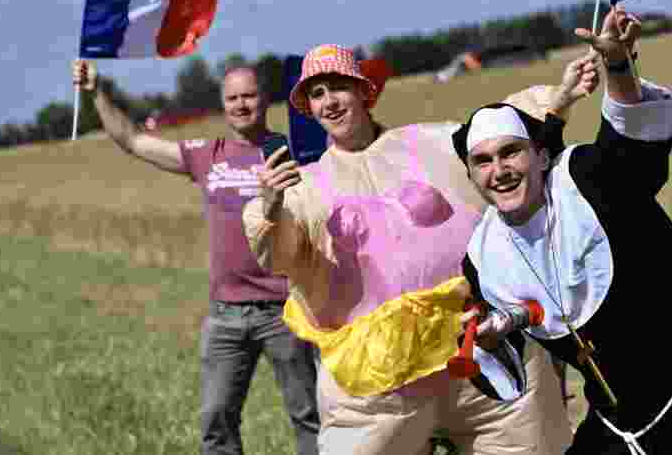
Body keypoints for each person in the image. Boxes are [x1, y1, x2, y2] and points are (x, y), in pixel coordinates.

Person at [452, 7, 672, 455]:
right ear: (470, 175)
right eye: (482, 161)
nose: (498, 171)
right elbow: (507, 378)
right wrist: (485, 343)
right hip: (620, 426)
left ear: (540, 157)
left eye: (511, 153)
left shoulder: (588, 178)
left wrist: (617, 65)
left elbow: (631, 142)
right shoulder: (482, 259)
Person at [242, 44, 580, 455]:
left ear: (364, 91)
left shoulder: (432, 142)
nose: (329, 101)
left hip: (479, 349)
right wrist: (271, 206)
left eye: (339, 87)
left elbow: (500, 131)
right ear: (308, 108)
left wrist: (558, 98)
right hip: (377, 389)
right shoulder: (303, 188)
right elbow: (276, 255)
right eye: (317, 93)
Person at [71, 60, 319, 455]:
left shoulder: (292, 153)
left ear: (265, 99)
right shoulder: (208, 154)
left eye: (249, 95)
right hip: (225, 316)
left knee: (310, 417)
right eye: (233, 97)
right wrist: (97, 91)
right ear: (223, 105)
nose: (241, 105)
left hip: (286, 311)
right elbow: (133, 140)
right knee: (216, 423)